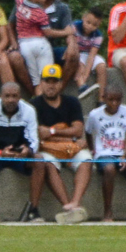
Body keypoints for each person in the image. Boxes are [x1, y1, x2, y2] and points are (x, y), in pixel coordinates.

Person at [29, 64, 88, 223]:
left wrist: (53, 132)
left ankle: (75, 203)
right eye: (47, 81)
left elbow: (78, 130)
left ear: (61, 83)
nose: (51, 85)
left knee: (86, 160)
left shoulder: (72, 102)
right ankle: (67, 206)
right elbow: (40, 134)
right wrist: (70, 140)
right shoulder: (34, 104)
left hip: (70, 148)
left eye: (55, 81)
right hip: (49, 149)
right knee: (47, 163)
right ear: (41, 83)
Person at [0, 83, 39, 223]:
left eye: (14, 96)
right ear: (1, 97)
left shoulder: (29, 110)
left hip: (20, 156)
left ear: (20, 97)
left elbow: (34, 140)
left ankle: (33, 211)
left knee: (39, 160)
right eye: (7, 96)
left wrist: (27, 150)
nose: (11, 99)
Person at [85, 84, 126, 222]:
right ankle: (107, 211)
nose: (114, 103)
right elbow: (88, 132)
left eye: (118, 100)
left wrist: (124, 155)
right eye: (111, 100)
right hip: (103, 153)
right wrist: (92, 149)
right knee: (109, 169)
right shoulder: (95, 114)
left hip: (123, 152)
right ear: (104, 98)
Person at [71, 8, 107, 97]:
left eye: (94, 25)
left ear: (99, 25)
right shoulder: (74, 27)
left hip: (89, 54)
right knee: (80, 64)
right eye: (88, 22)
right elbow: (73, 46)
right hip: (77, 52)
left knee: (102, 66)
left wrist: (86, 75)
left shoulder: (98, 36)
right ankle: (82, 86)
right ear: (83, 18)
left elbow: (92, 55)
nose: (90, 26)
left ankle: (101, 98)